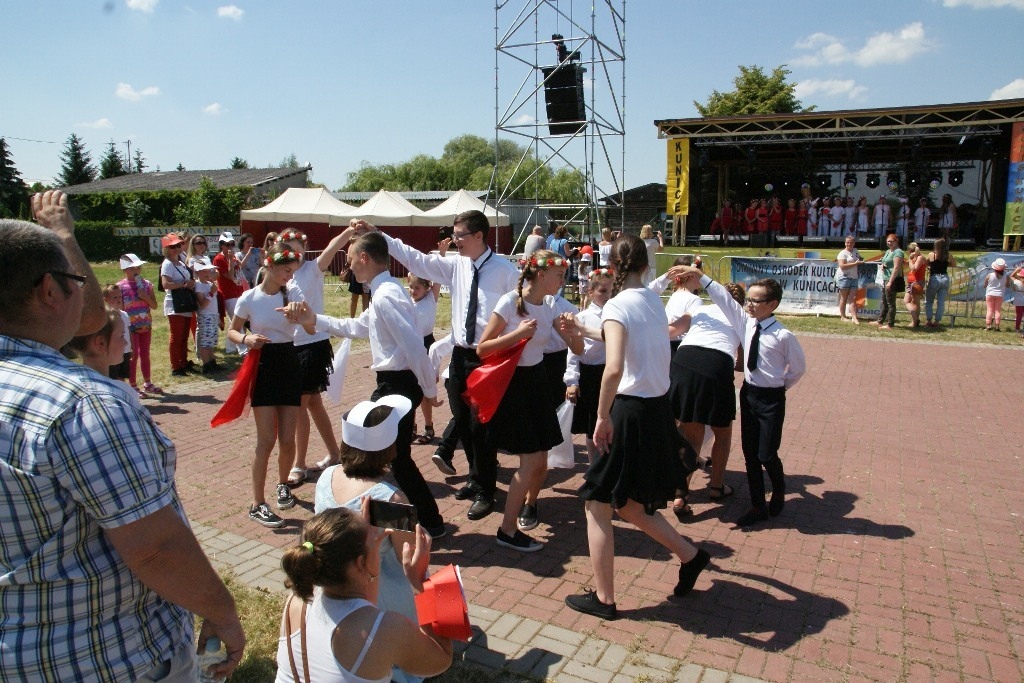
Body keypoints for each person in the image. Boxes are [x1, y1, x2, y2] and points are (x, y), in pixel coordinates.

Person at [0, 200, 244, 681]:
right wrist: (221, 613)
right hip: (107, 657)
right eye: (74, 282)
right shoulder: (83, 404)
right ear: (50, 290)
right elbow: (155, 548)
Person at [564, 235, 708, 620]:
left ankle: (605, 599)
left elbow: (613, 367)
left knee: (596, 503)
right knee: (628, 505)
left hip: (630, 411)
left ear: (612, 266)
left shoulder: (617, 304)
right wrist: (580, 330)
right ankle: (691, 556)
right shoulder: (650, 301)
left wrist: (601, 415)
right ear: (646, 265)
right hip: (655, 409)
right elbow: (622, 339)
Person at [286, 230, 446, 539]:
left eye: (349, 260)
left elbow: (414, 346)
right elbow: (358, 327)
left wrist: (429, 389)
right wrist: (313, 318)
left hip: (396, 385)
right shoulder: (383, 291)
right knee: (392, 458)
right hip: (394, 384)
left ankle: (419, 521)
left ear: (364, 258)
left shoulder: (386, 294)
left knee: (379, 455)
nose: (347, 268)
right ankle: (419, 519)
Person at [369, 210, 520, 521]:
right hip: (461, 356)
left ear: (479, 235)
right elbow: (415, 260)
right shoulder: (456, 266)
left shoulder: (505, 271)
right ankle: (475, 479)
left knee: (483, 427)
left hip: (489, 356)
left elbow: (517, 314)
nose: (455, 241)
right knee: (463, 422)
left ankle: (486, 491)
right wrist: (378, 234)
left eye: (460, 235)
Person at [676, 266, 806, 528]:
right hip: (749, 394)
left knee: (767, 453)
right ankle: (758, 505)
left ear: (772, 304)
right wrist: (699, 276)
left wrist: (780, 387)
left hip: (771, 398)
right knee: (749, 453)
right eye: (748, 300)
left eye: (756, 301)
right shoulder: (744, 323)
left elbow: (798, 369)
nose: (749, 305)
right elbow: (724, 299)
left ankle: (778, 490)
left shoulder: (783, 335)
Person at [313, 394, 427, 683]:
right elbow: (410, 558)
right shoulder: (389, 499)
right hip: (383, 595)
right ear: (389, 448)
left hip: (337, 588)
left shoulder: (326, 477)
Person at [474, 250, 580, 550]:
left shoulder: (549, 307)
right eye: (559, 275)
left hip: (538, 383)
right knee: (532, 460)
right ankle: (507, 529)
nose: (563, 281)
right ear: (541, 274)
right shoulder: (510, 302)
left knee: (538, 458)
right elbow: (483, 350)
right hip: (514, 385)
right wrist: (517, 335)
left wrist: (573, 332)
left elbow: (579, 349)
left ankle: (515, 519)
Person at [276, 506, 452, 683]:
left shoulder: (298, 599)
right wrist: (420, 583)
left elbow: (365, 607)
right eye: (373, 542)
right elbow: (441, 659)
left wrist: (364, 542)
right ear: (361, 563)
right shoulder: (387, 629)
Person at [228, 243, 307, 528]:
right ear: (269, 266)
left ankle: (283, 484)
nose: (289, 275)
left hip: (288, 361)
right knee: (266, 440)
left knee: (288, 437)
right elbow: (233, 330)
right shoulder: (249, 298)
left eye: (292, 271)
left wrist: (299, 314)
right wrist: (246, 339)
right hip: (263, 364)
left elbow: (309, 325)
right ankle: (257, 503)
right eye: (286, 270)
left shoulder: (293, 292)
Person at [275, 227, 346, 484]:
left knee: (300, 405)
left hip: (312, 344)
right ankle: (335, 453)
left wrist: (349, 230)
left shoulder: (312, 269)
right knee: (313, 402)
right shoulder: (283, 275)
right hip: (293, 345)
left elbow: (332, 249)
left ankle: (298, 464)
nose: (295, 252)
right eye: (289, 248)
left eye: (298, 247)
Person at [667, 282, 746, 512]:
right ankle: (717, 486)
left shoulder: (700, 310)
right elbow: (742, 362)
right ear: (739, 302)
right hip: (716, 366)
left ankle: (681, 494)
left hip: (685, 360)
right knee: (722, 432)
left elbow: (671, 331)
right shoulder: (741, 317)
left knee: (691, 435)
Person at [565, 268, 613, 463]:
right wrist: (572, 380)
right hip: (591, 375)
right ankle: (594, 466)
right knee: (592, 422)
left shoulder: (615, 314)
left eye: (611, 291)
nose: (607, 296)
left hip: (611, 373)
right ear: (591, 292)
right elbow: (574, 351)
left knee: (610, 418)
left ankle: (608, 464)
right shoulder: (583, 317)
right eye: (602, 291)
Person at [117, 252, 161, 397]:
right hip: (130, 326)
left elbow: (154, 305)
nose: (136, 271)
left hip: (145, 324)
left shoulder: (147, 284)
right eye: (132, 268)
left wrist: (145, 296)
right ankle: (133, 384)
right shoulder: (121, 287)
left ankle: (148, 382)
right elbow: (119, 306)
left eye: (138, 268)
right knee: (133, 355)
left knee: (145, 354)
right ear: (125, 270)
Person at [409, 274, 442, 445]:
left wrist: (442, 254)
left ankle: (429, 426)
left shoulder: (431, 299)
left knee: (425, 390)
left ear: (426, 288)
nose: (412, 291)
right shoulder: (407, 303)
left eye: (417, 288)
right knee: (410, 389)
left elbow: (439, 275)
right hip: (412, 346)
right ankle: (411, 427)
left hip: (427, 345)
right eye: (411, 286)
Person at [160, 232, 196, 377]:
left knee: (184, 336)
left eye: (178, 245)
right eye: (173, 246)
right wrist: (183, 284)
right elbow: (165, 284)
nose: (176, 248)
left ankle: (183, 362)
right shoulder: (167, 264)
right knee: (176, 336)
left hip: (185, 302)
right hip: (175, 303)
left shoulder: (180, 262)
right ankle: (176, 366)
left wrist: (191, 283)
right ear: (167, 249)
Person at [215, 231, 247, 356]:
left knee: (235, 321)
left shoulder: (233, 257)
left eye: (232, 244)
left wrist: (236, 260)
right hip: (228, 295)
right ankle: (243, 349)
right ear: (221, 245)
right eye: (227, 245)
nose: (230, 247)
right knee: (237, 321)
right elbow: (229, 275)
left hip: (238, 292)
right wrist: (230, 261)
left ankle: (230, 347)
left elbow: (239, 271)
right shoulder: (218, 259)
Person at [101, 284, 133, 388]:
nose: (118, 299)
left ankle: (122, 393)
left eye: (120, 296)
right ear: (106, 299)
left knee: (122, 375)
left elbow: (128, 331)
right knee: (113, 376)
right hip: (114, 351)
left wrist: (131, 347)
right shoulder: (107, 317)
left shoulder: (124, 314)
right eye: (115, 297)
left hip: (125, 350)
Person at [193, 260, 221, 373]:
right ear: (198, 272)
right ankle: (206, 364)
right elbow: (202, 304)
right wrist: (211, 293)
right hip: (205, 316)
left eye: (208, 270)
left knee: (211, 341)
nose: (207, 273)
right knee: (205, 341)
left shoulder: (209, 284)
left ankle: (212, 361)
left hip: (213, 315)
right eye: (204, 271)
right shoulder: (199, 285)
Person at [925, 237, 957, 327]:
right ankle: (937, 321)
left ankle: (929, 320)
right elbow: (954, 265)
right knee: (941, 302)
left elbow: (926, 263)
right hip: (945, 277)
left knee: (929, 301)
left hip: (935, 277)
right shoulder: (948, 255)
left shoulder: (931, 255)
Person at [877, 234, 904, 330]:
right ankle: (880, 321)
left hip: (892, 279)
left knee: (891, 303)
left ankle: (890, 324)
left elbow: (896, 268)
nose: (889, 243)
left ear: (896, 241)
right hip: (885, 278)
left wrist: (890, 282)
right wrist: (883, 265)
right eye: (888, 241)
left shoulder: (898, 252)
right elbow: (887, 262)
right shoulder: (888, 251)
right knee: (884, 301)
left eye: (891, 241)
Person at [836, 236, 864, 324]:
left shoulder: (855, 251)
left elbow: (859, 258)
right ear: (845, 243)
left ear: (854, 243)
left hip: (854, 277)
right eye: (847, 242)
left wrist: (861, 260)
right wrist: (855, 264)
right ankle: (843, 316)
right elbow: (842, 266)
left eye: (851, 242)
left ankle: (854, 317)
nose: (849, 244)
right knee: (844, 298)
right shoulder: (842, 253)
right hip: (844, 277)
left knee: (853, 298)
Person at [903, 242, 927, 328]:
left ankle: (915, 320)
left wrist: (909, 260)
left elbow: (914, 268)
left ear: (911, 250)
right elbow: (910, 266)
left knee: (915, 302)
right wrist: (906, 261)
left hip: (917, 282)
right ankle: (915, 319)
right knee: (907, 301)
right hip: (911, 281)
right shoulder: (915, 257)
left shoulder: (920, 257)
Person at [983, 258, 1010, 331]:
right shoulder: (1006, 276)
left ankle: (988, 325)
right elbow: (1008, 285)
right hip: (1000, 294)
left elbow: (984, 285)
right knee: (997, 310)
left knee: (989, 310)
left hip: (990, 294)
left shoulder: (989, 275)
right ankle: (997, 326)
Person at [1009, 265, 1024, 336]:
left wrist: (1016, 270)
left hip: (1018, 300)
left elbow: (1011, 276)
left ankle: (1017, 328)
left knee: (1019, 315)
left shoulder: (1017, 282)